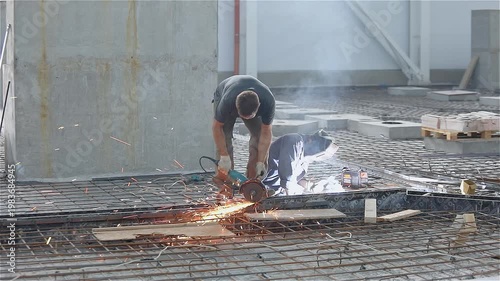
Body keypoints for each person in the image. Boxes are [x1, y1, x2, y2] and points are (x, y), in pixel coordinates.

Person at [212, 75, 276, 182]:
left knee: (258, 135)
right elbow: (216, 127)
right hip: (224, 92)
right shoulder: (227, 101)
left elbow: (266, 132)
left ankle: (254, 181)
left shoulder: (268, 102)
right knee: (225, 137)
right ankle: (225, 181)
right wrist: (224, 156)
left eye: (248, 117)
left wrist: (260, 161)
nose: (243, 119)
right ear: (236, 107)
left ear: (259, 106)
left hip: (250, 99)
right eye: (242, 116)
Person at [262, 130, 339, 196]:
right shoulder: (294, 141)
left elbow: (296, 178)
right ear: (310, 140)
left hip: (276, 189)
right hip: (262, 183)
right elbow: (287, 169)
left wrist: (309, 185)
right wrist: (289, 195)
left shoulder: (305, 156)